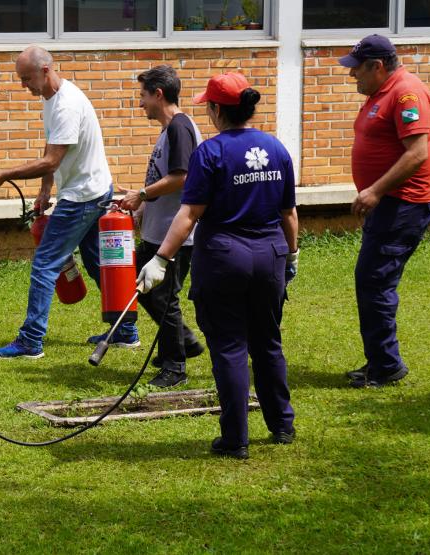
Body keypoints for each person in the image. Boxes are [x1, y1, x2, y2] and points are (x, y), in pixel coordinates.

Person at [136, 72, 298, 459]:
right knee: (268, 342)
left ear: (215, 109)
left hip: (226, 259)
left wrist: (160, 258)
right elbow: (289, 213)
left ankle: (235, 439)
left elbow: (189, 214)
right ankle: (283, 425)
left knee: (229, 347)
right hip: (270, 256)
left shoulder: (210, 153)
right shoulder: (275, 148)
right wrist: (291, 256)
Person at [0, 45, 139, 358]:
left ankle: (30, 341)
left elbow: (50, 160)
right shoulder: (51, 98)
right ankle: (126, 330)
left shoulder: (66, 105)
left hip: (83, 196)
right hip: (92, 188)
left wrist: (2, 174)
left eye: (26, 78)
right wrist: (44, 190)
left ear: (45, 71)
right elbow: (51, 148)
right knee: (96, 264)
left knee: (44, 264)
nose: (23, 85)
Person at [339, 35, 430, 388]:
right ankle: (379, 360)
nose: (353, 77)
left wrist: (375, 191)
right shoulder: (380, 92)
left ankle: (386, 366)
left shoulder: (406, 92)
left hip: (403, 204)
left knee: (375, 281)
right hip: (389, 205)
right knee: (371, 279)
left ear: (377, 66)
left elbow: (416, 153)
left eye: (357, 70)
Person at [114, 65, 206, 388]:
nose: (140, 104)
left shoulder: (180, 127)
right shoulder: (170, 130)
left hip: (175, 234)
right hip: (158, 229)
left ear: (158, 94)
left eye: (142, 96)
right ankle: (182, 342)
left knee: (164, 298)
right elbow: (162, 178)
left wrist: (141, 194)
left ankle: (175, 365)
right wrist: (140, 206)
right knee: (144, 290)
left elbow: (182, 177)